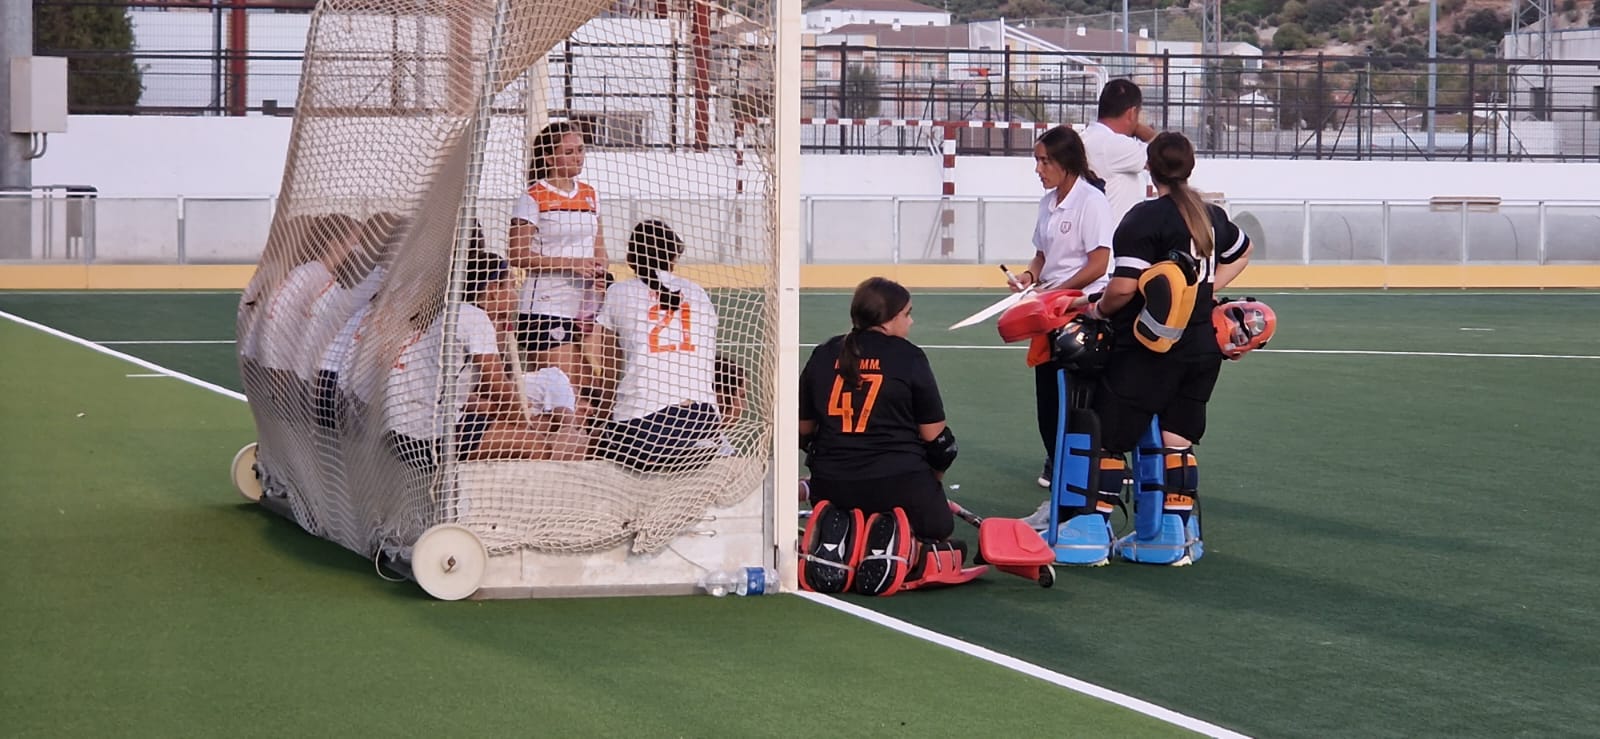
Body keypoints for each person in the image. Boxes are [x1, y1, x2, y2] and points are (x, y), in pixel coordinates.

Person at [1074, 131, 1253, 566]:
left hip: (1151, 346)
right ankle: (1173, 537)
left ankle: (1090, 537)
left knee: (1111, 439)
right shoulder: (1210, 215)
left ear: (1150, 169)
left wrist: (1095, 309)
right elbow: (1242, 253)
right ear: (1189, 167)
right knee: (1178, 442)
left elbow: (1122, 289)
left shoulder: (1144, 217)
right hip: (1203, 347)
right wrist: (1204, 293)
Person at [797, 277, 964, 596]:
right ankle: (901, 547)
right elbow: (937, 439)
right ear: (889, 319)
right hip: (898, 483)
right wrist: (934, 482)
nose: (911, 321)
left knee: (836, 480)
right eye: (907, 314)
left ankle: (847, 536)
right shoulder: (909, 356)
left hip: (832, 486)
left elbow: (803, 430)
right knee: (940, 528)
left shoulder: (823, 353)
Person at [1010, 125, 1116, 517]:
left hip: (1082, 312)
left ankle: (1080, 486)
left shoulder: (1092, 201)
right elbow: (1041, 256)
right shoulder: (1047, 203)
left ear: (1066, 162)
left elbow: (1100, 262)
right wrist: (1028, 278)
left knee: (1077, 401)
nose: (1038, 169)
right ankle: (1057, 475)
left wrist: (1060, 293)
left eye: (1045, 160)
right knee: (1048, 400)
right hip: (1049, 312)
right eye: (1037, 160)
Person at [584, 220, 720, 474]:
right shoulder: (698, 294)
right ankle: (694, 445)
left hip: (643, 427)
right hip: (704, 419)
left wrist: (598, 424)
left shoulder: (618, 293)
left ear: (631, 258)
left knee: (590, 445)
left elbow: (609, 373)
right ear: (673, 257)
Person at [508, 121, 608, 393]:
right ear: (549, 157)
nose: (578, 156)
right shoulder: (532, 197)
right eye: (569, 151)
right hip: (546, 308)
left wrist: (601, 274)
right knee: (559, 394)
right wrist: (571, 265)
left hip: (585, 309)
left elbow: (599, 247)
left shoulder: (589, 194)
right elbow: (517, 254)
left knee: (589, 392)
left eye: (580, 150)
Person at [1080, 79, 1158, 228]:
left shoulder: (1086, 137)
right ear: (1131, 113)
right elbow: (1166, 150)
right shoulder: (1114, 144)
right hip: (1113, 245)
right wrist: (1137, 128)